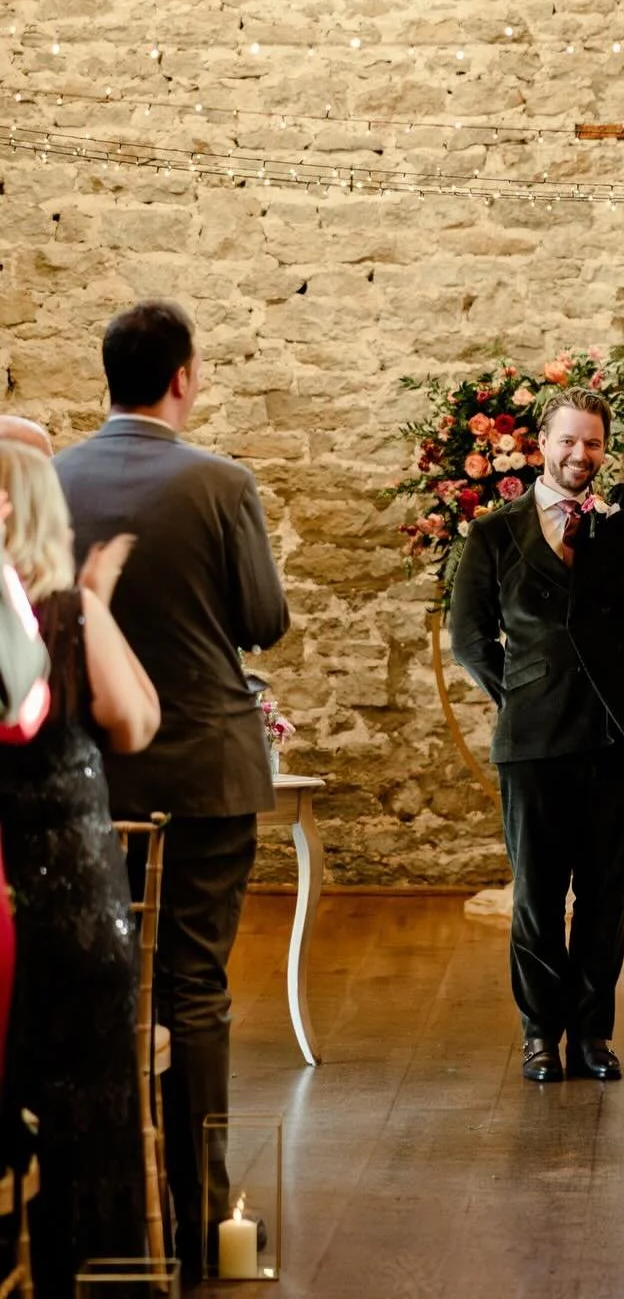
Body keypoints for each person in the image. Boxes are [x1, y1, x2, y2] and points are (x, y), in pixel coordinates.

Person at [54, 301, 290, 1284]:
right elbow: (263, 619)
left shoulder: (51, 479)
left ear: (108, 373)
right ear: (184, 378)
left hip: (86, 779)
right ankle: (200, 1215)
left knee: (99, 994)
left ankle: (106, 1205)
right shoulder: (222, 481)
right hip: (202, 771)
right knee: (192, 987)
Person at [448, 371, 624, 1083]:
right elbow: (470, 638)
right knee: (535, 893)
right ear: (543, 445)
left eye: (592, 443)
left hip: (621, 734)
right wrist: (523, 695)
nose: (580, 454)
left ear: (603, 450)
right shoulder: (495, 532)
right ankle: (539, 1034)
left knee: (603, 891)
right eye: (568, 440)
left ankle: (592, 1035)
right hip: (532, 740)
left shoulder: (622, 517)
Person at [0, 442, 160, 1298]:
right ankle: (94, 1279)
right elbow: (135, 724)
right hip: (73, 902)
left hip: (5, 905)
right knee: (89, 1115)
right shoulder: (67, 614)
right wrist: (97, 604)